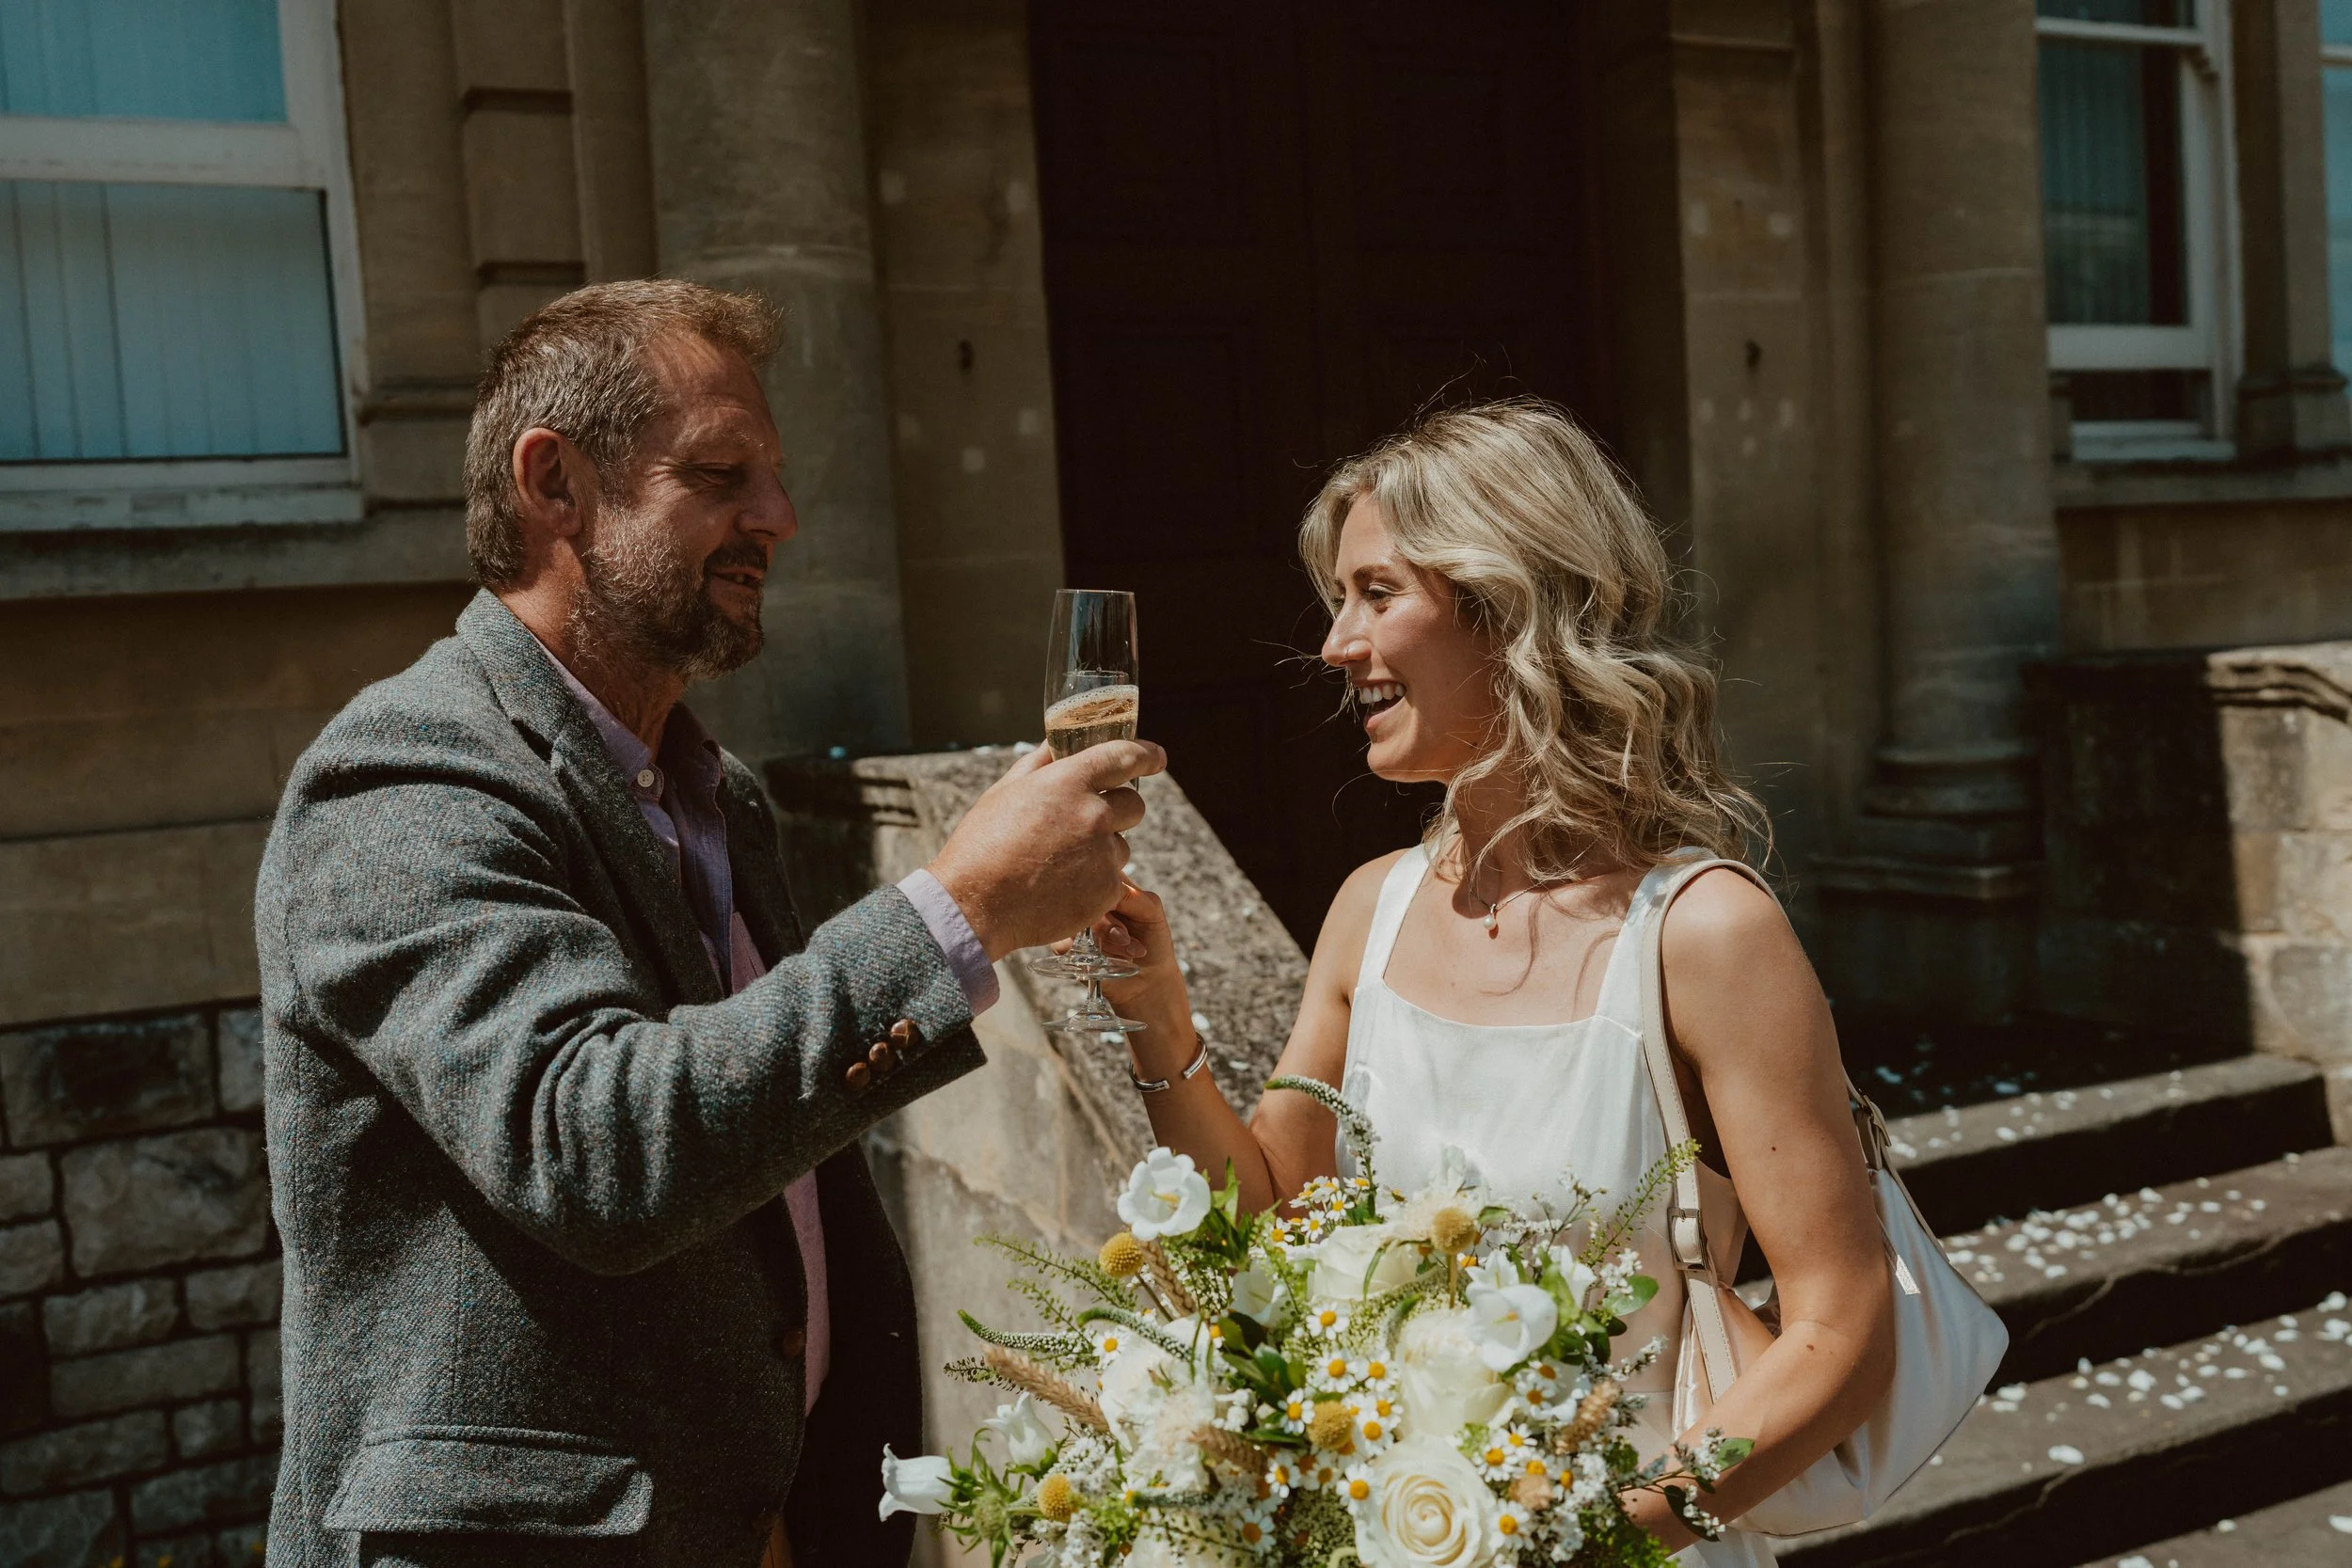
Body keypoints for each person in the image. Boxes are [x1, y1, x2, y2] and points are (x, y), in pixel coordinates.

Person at [254, 279, 1162, 1568]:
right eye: (722, 474)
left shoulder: (715, 790)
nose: (778, 520)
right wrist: (958, 910)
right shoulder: (407, 777)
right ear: (554, 485)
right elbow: (595, 1144)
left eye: (776, 478)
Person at [1084, 401, 1894, 1563]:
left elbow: (1840, 1327)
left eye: (1376, 593)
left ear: (1506, 608)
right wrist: (1155, 1007)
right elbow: (1264, 1222)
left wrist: (1595, 1536)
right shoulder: (1373, 907)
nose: (1333, 645)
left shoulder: (1703, 932)